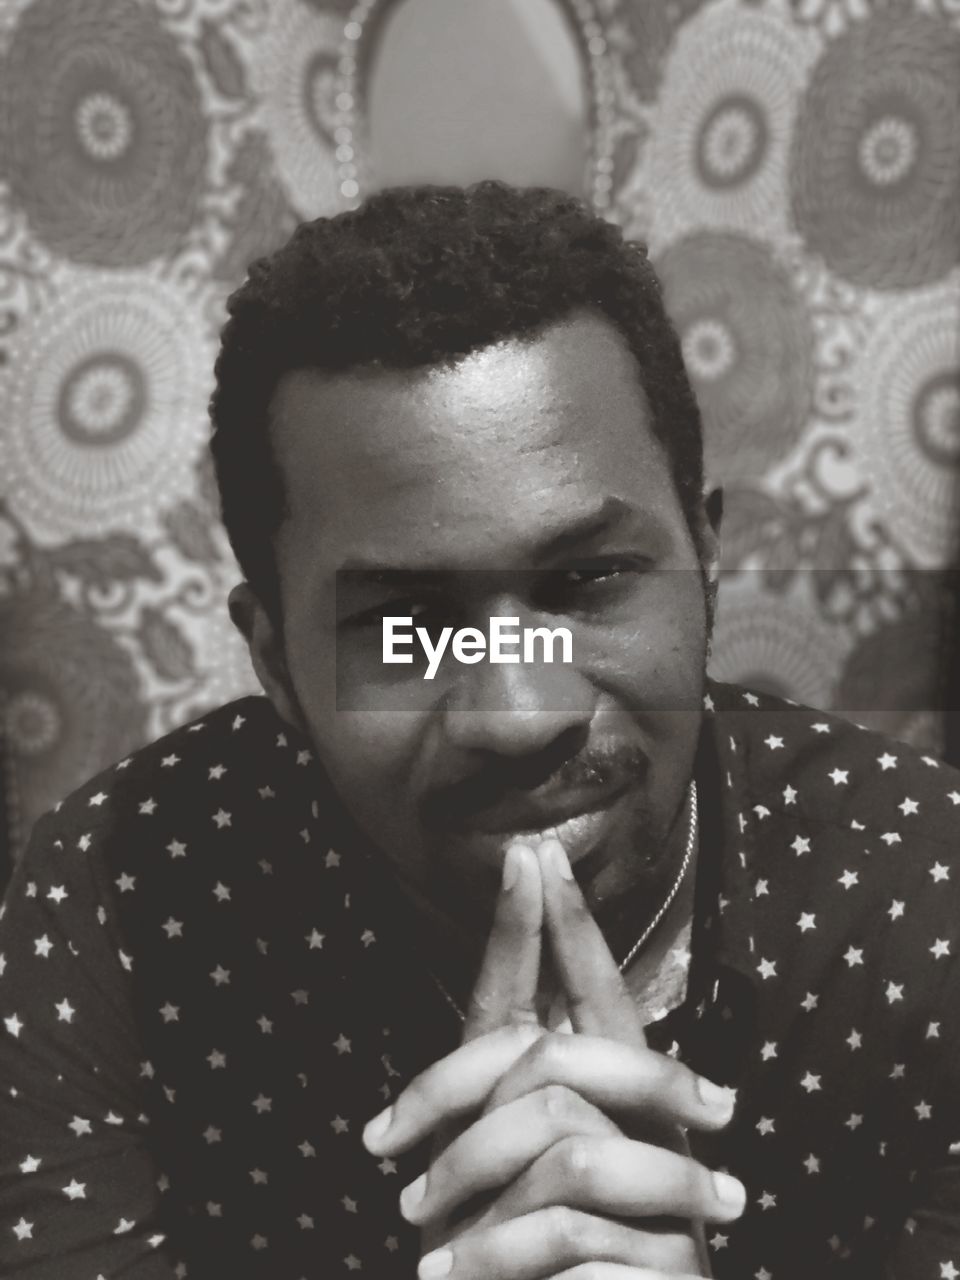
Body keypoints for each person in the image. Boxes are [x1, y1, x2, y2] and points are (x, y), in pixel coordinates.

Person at [1, 181, 959, 1280]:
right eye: (405, 624)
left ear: (704, 562)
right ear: (274, 658)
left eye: (587, 580)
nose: (516, 711)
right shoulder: (121, 900)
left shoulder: (923, 891)